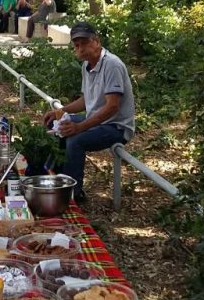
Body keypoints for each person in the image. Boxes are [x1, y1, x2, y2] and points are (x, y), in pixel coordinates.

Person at [42, 21, 135, 203]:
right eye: (77, 45)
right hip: (97, 121)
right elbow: (86, 100)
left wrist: (80, 127)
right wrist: (59, 112)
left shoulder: (112, 64)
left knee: (75, 140)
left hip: (116, 126)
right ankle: (57, 180)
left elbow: (112, 106)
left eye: (85, 43)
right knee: (55, 128)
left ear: (97, 41)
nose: (81, 48)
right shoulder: (87, 66)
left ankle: (73, 194)